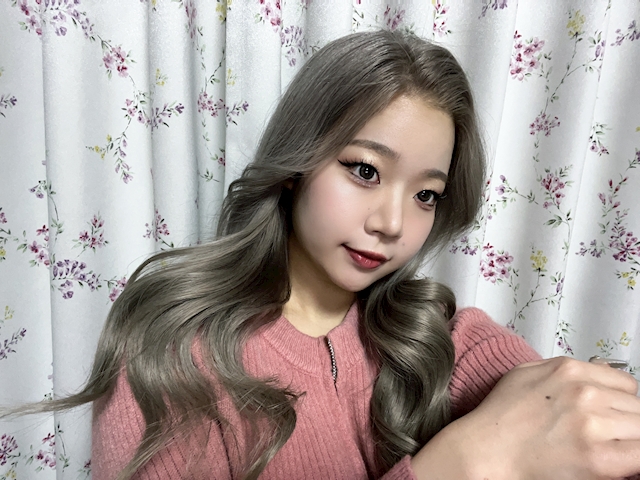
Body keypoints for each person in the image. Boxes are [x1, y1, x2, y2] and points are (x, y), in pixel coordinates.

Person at [5, 30, 640, 480]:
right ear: (296, 165)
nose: (392, 223)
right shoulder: (176, 355)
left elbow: (566, 412)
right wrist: (461, 465)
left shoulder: (441, 337)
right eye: (364, 170)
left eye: (425, 194)